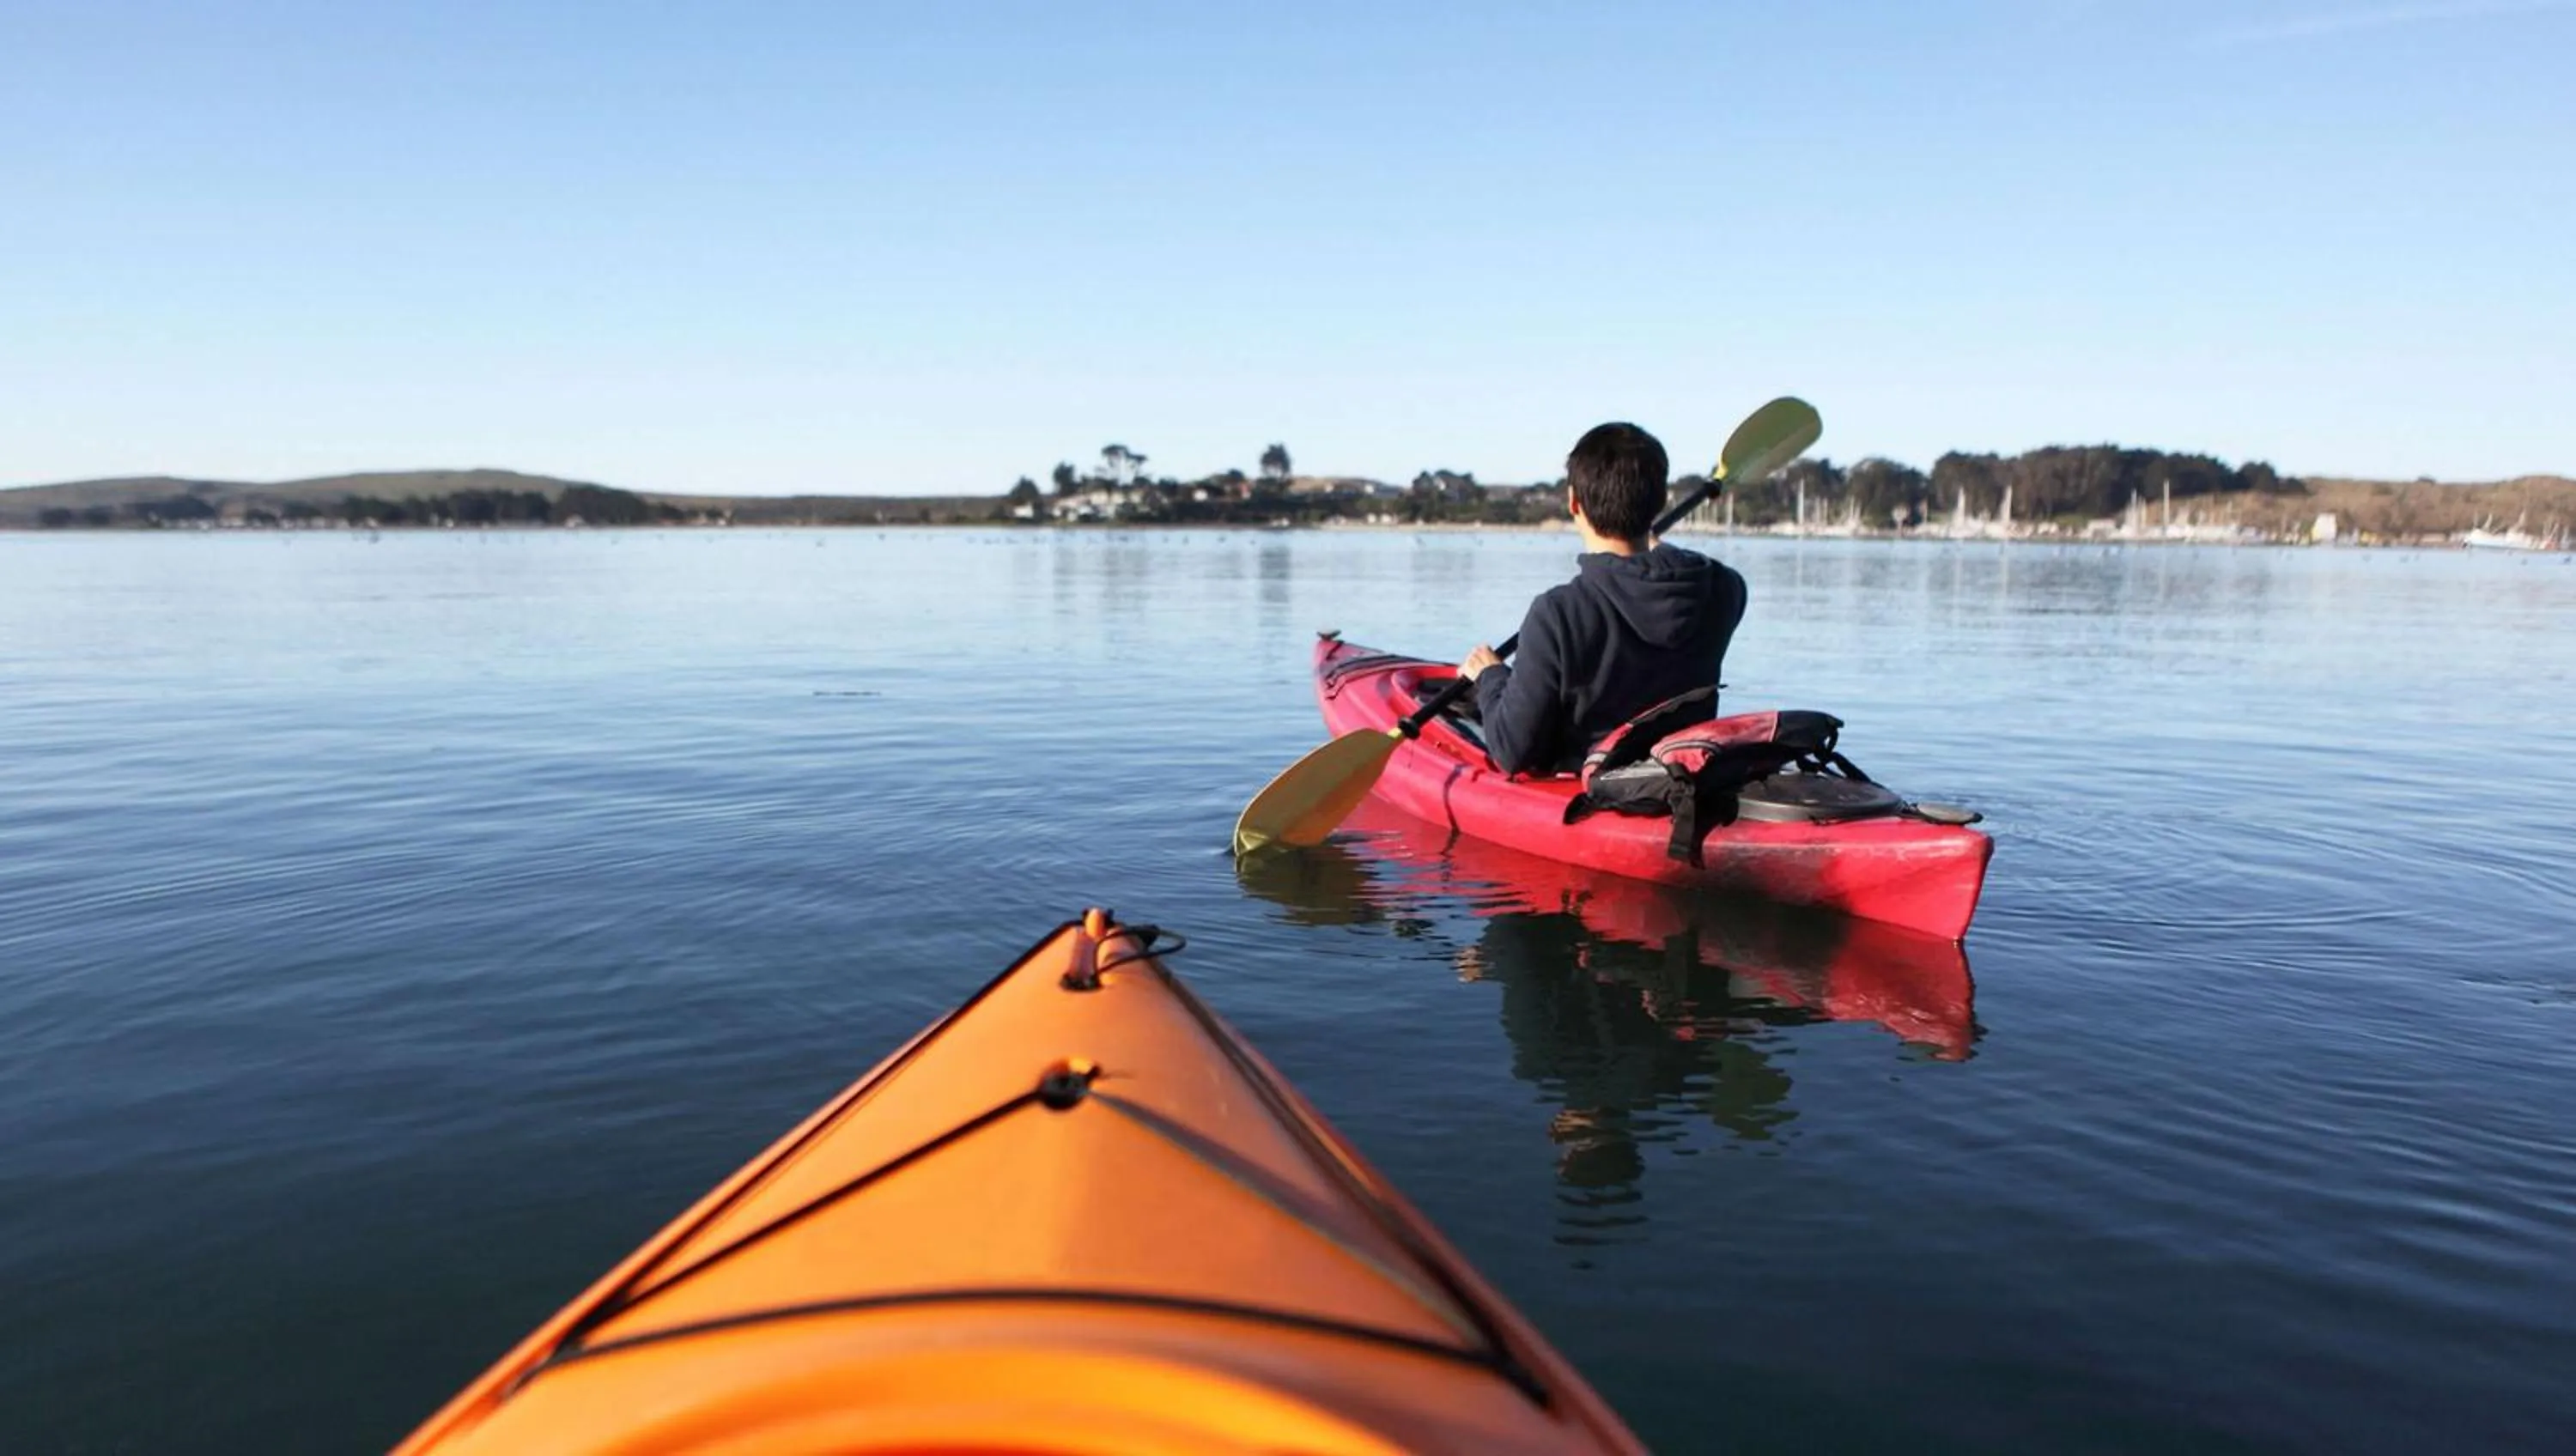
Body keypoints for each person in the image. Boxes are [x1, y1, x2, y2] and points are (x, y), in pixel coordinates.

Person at [1458, 422, 1747, 775]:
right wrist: (1651, 552)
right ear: (1658, 502)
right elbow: (1694, 568)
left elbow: (1512, 752)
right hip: (1684, 775)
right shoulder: (1723, 590)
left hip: (1594, 789)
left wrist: (1490, 675)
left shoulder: (1558, 613)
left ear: (1573, 502)